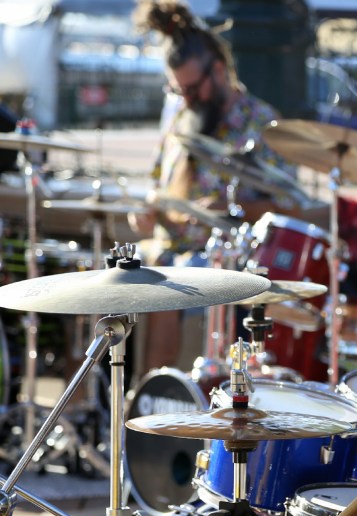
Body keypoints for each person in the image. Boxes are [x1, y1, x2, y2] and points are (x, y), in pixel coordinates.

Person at [129, 0, 296, 373]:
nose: (187, 99)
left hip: (225, 258)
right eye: (179, 91)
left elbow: (288, 208)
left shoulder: (261, 124)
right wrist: (146, 212)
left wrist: (230, 209)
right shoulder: (180, 119)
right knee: (103, 282)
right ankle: (110, 396)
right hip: (168, 249)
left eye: (192, 89)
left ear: (218, 70)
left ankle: (157, 392)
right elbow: (156, 188)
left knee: (172, 287)